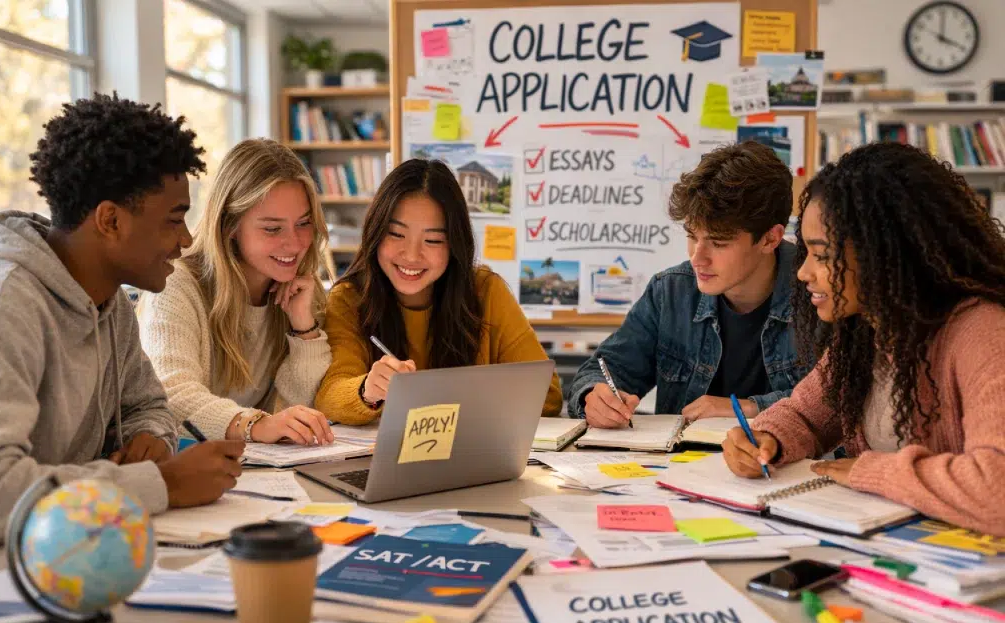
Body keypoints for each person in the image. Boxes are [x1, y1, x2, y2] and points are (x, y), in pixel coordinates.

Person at [0, 94, 243, 547]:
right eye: (174, 220)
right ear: (110, 220)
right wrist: (164, 485)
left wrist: (151, 437)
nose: (185, 241)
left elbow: (150, 405)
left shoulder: (108, 300)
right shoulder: (4, 307)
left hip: (63, 548)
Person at [722, 143, 1005, 535]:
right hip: (887, 549)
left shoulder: (984, 332)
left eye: (822, 255)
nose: (803, 272)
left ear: (884, 253)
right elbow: (806, 414)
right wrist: (767, 438)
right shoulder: (869, 331)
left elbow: (997, 491)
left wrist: (873, 472)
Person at [568, 141, 806, 428]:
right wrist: (593, 398)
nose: (697, 259)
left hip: (787, 468)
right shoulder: (670, 292)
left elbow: (841, 401)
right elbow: (601, 371)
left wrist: (748, 408)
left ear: (770, 239)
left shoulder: (819, 292)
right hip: (678, 468)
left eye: (718, 243)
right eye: (692, 236)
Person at [316, 158, 563, 425]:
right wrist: (368, 390)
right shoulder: (350, 299)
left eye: (432, 240)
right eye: (396, 235)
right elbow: (330, 396)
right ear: (375, 233)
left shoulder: (486, 290)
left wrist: (450, 395)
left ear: (454, 244)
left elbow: (547, 395)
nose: (411, 255)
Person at [139, 139, 334, 445]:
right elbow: (171, 395)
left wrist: (304, 329)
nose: (295, 243)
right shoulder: (175, 283)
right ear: (229, 225)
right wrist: (255, 424)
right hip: (187, 467)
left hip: (254, 469)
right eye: (272, 228)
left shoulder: (294, 289)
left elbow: (298, 411)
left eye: (304, 223)